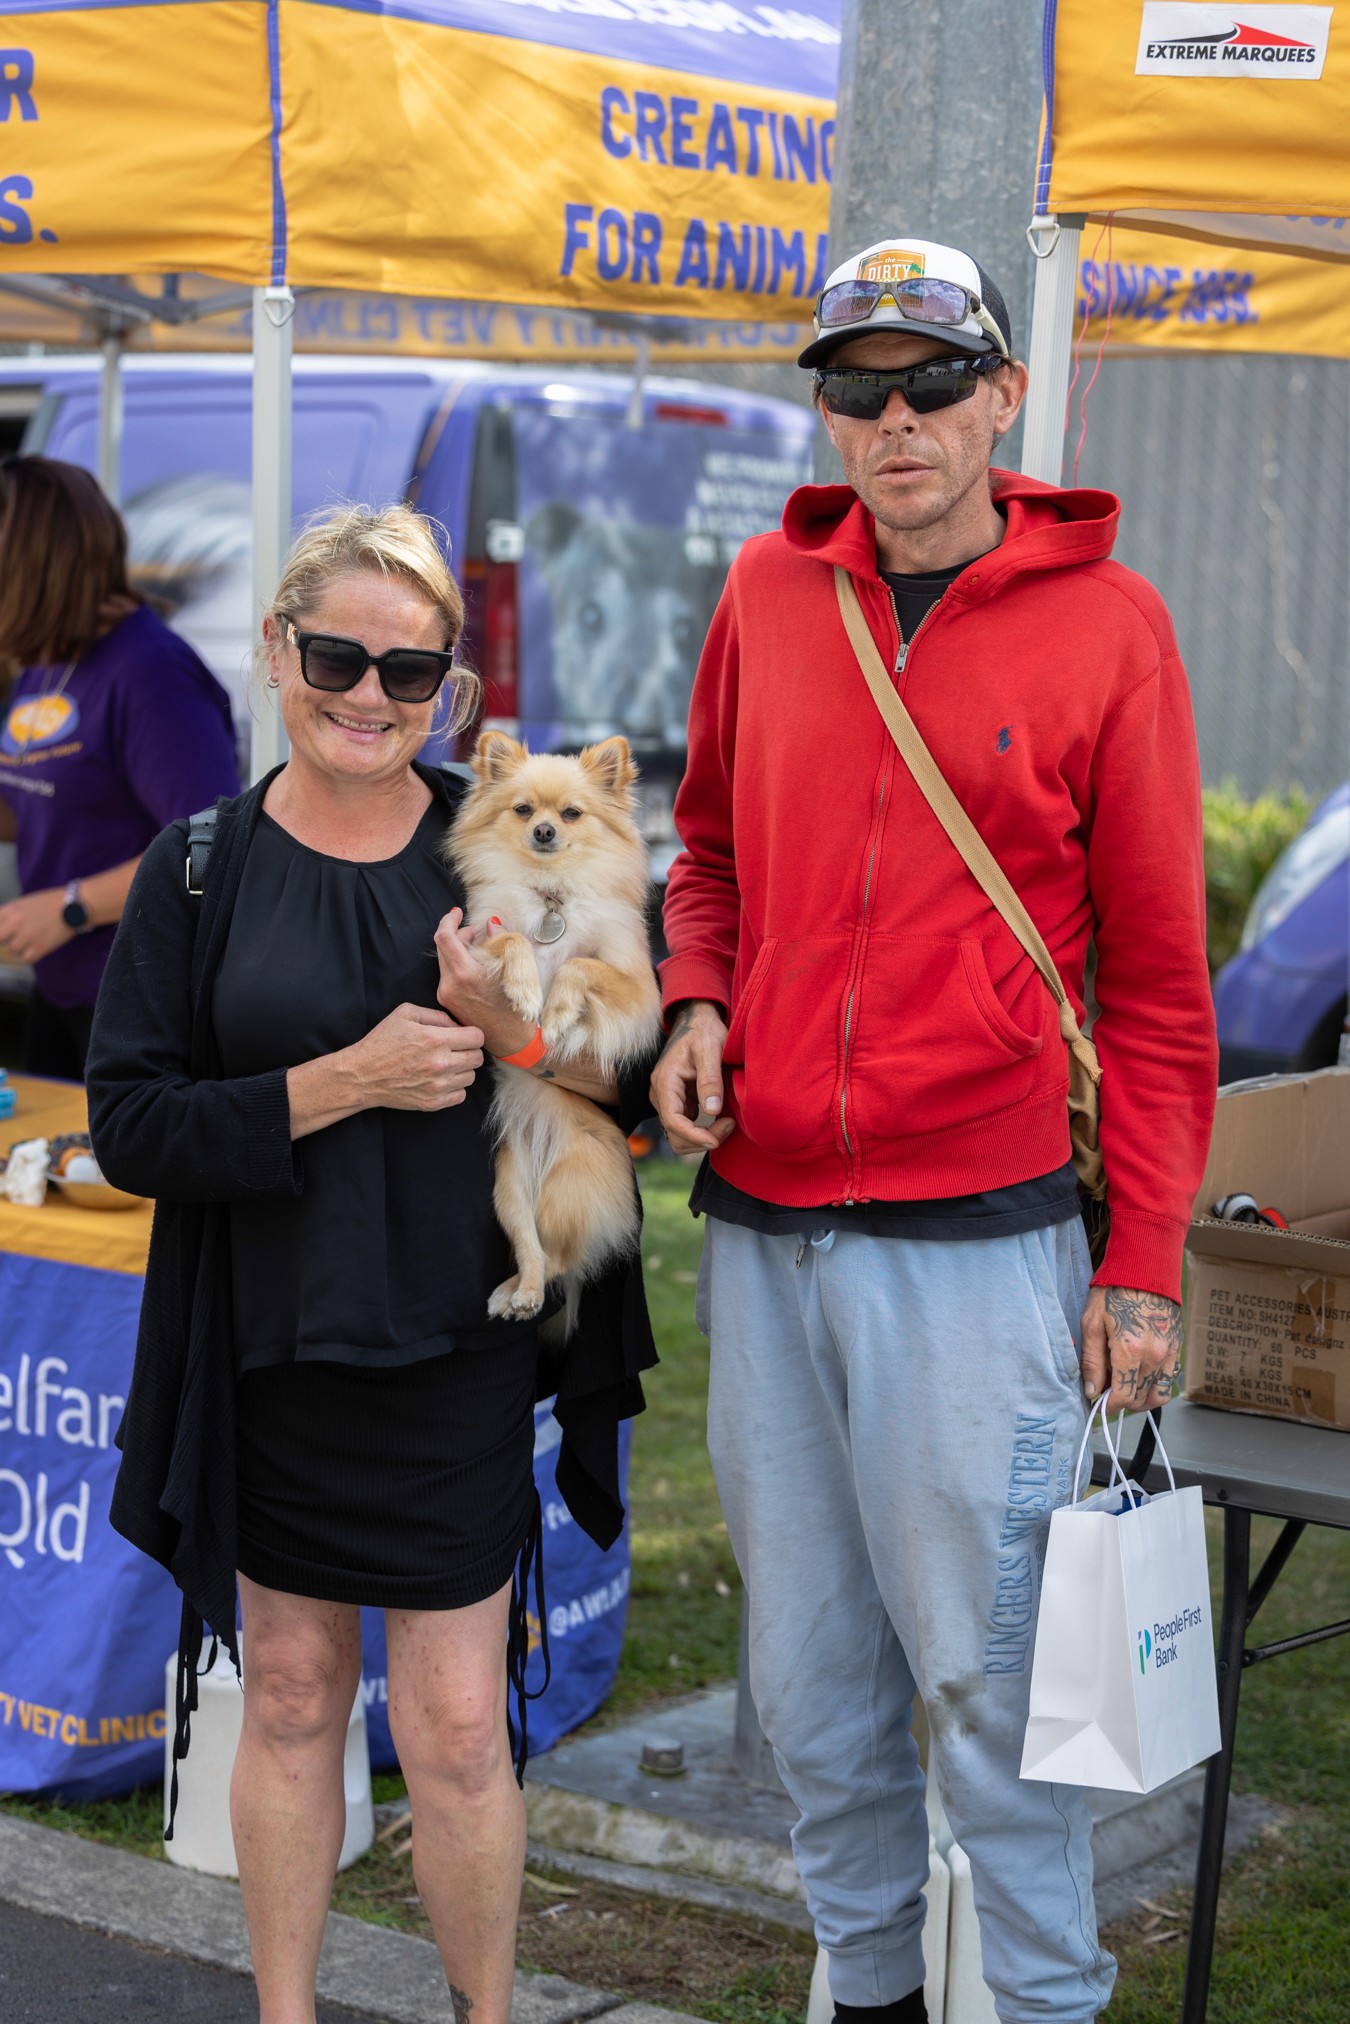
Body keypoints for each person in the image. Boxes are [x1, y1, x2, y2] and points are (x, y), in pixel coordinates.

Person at [650, 238, 1217, 2024]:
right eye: (854, 388)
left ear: (1001, 397)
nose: (891, 424)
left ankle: (1044, 1998)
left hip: (984, 1246)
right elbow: (712, 856)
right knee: (813, 1686)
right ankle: (873, 1994)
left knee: (991, 1696)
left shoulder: (1111, 625)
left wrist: (1139, 1262)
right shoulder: (767, 588)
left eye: (928, 385)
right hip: (764, 1227)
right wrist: (695, 996)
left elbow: (1158, 987)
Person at [87, 504, 656, 2024]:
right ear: (277, 651)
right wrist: (335, 1082)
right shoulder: (196, 868)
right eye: (337, 655)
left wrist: (503, 1026)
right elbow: (133, 1125)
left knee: (463, 1730)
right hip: (274, 1348)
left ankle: (482, 2017)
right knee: (286, 1700)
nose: (370, 696)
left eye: (413, 676)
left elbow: (618, 1093)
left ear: (450, 694)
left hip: (453, 1348)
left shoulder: (499, 847)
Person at [0, 455, 239, 1078]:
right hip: (63, 987)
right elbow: (37, 801)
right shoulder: (45, 654)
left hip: (135, 999)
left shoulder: (152, 674)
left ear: (32, 565)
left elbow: (210, 848)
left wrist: (69, 907)